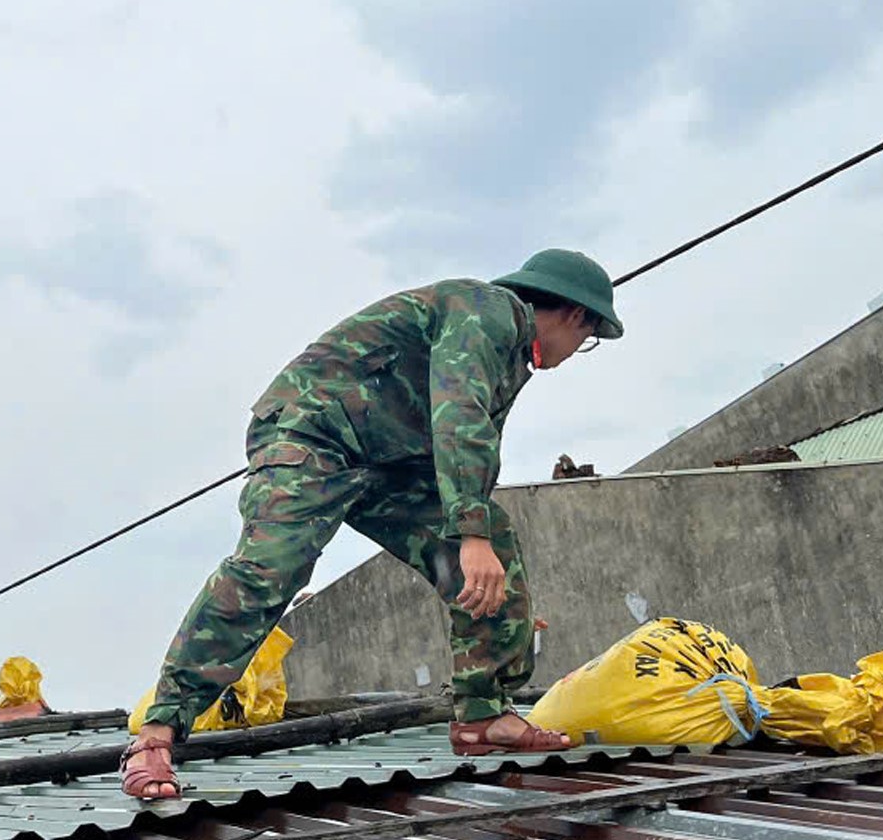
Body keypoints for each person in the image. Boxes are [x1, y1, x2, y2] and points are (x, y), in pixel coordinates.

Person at [121, 250, 623, 799]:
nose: (578, 351)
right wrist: (469, 532)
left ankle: (483, 714)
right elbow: (460, 416)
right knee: (270, 568)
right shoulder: (489, 310)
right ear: (576, 317)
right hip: (312, 435)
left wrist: (479, 541)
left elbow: (466, 443)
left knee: (491, 550)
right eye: (589, 339)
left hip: (390, 464)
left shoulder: (511, 356)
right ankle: (156, 735)